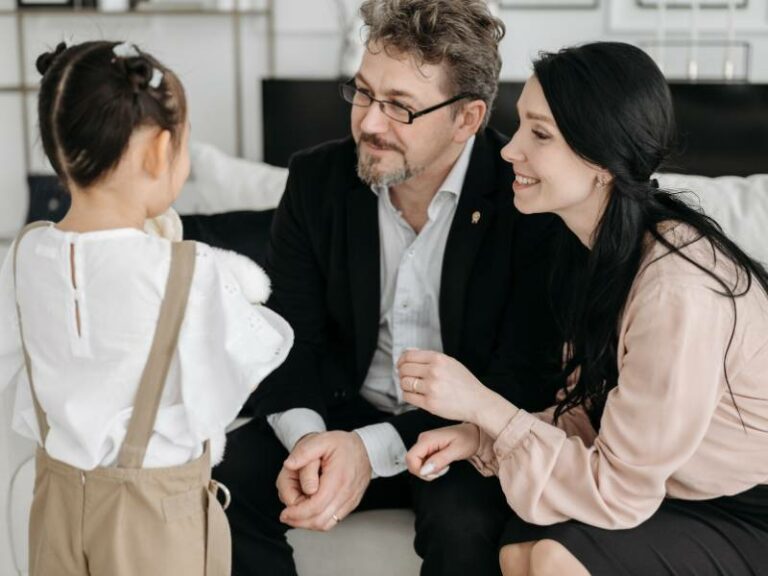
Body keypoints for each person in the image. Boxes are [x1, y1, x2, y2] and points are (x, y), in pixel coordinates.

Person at [211, 1, 571, 574]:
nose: (369, 123)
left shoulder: (525, 202)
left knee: (467, 526)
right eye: (363, 93)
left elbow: (522, 378)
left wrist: (370, 450)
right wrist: (311, 442)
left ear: (468, 119)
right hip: (335, 412)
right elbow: (284, 339)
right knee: (221, 487)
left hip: (462, 436)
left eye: (400, 107)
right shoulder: (316, 181)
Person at [399, 41, 768, 575]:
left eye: (540, 134)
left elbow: (617, 487)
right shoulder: (590, 251)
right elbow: (592, 417)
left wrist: (481, 405)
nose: (509, 150)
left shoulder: (675, 288)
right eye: (521, 124)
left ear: (602, 162)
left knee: (552, 559)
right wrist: (479, 437)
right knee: (518, 546)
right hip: (663, 485)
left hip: (745, 506)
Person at [0, 40, 292, 576]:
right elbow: (242, 372)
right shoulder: (187, 269)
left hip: (57, 504)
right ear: (160, 152)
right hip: (153, 518)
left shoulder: (24, 253)